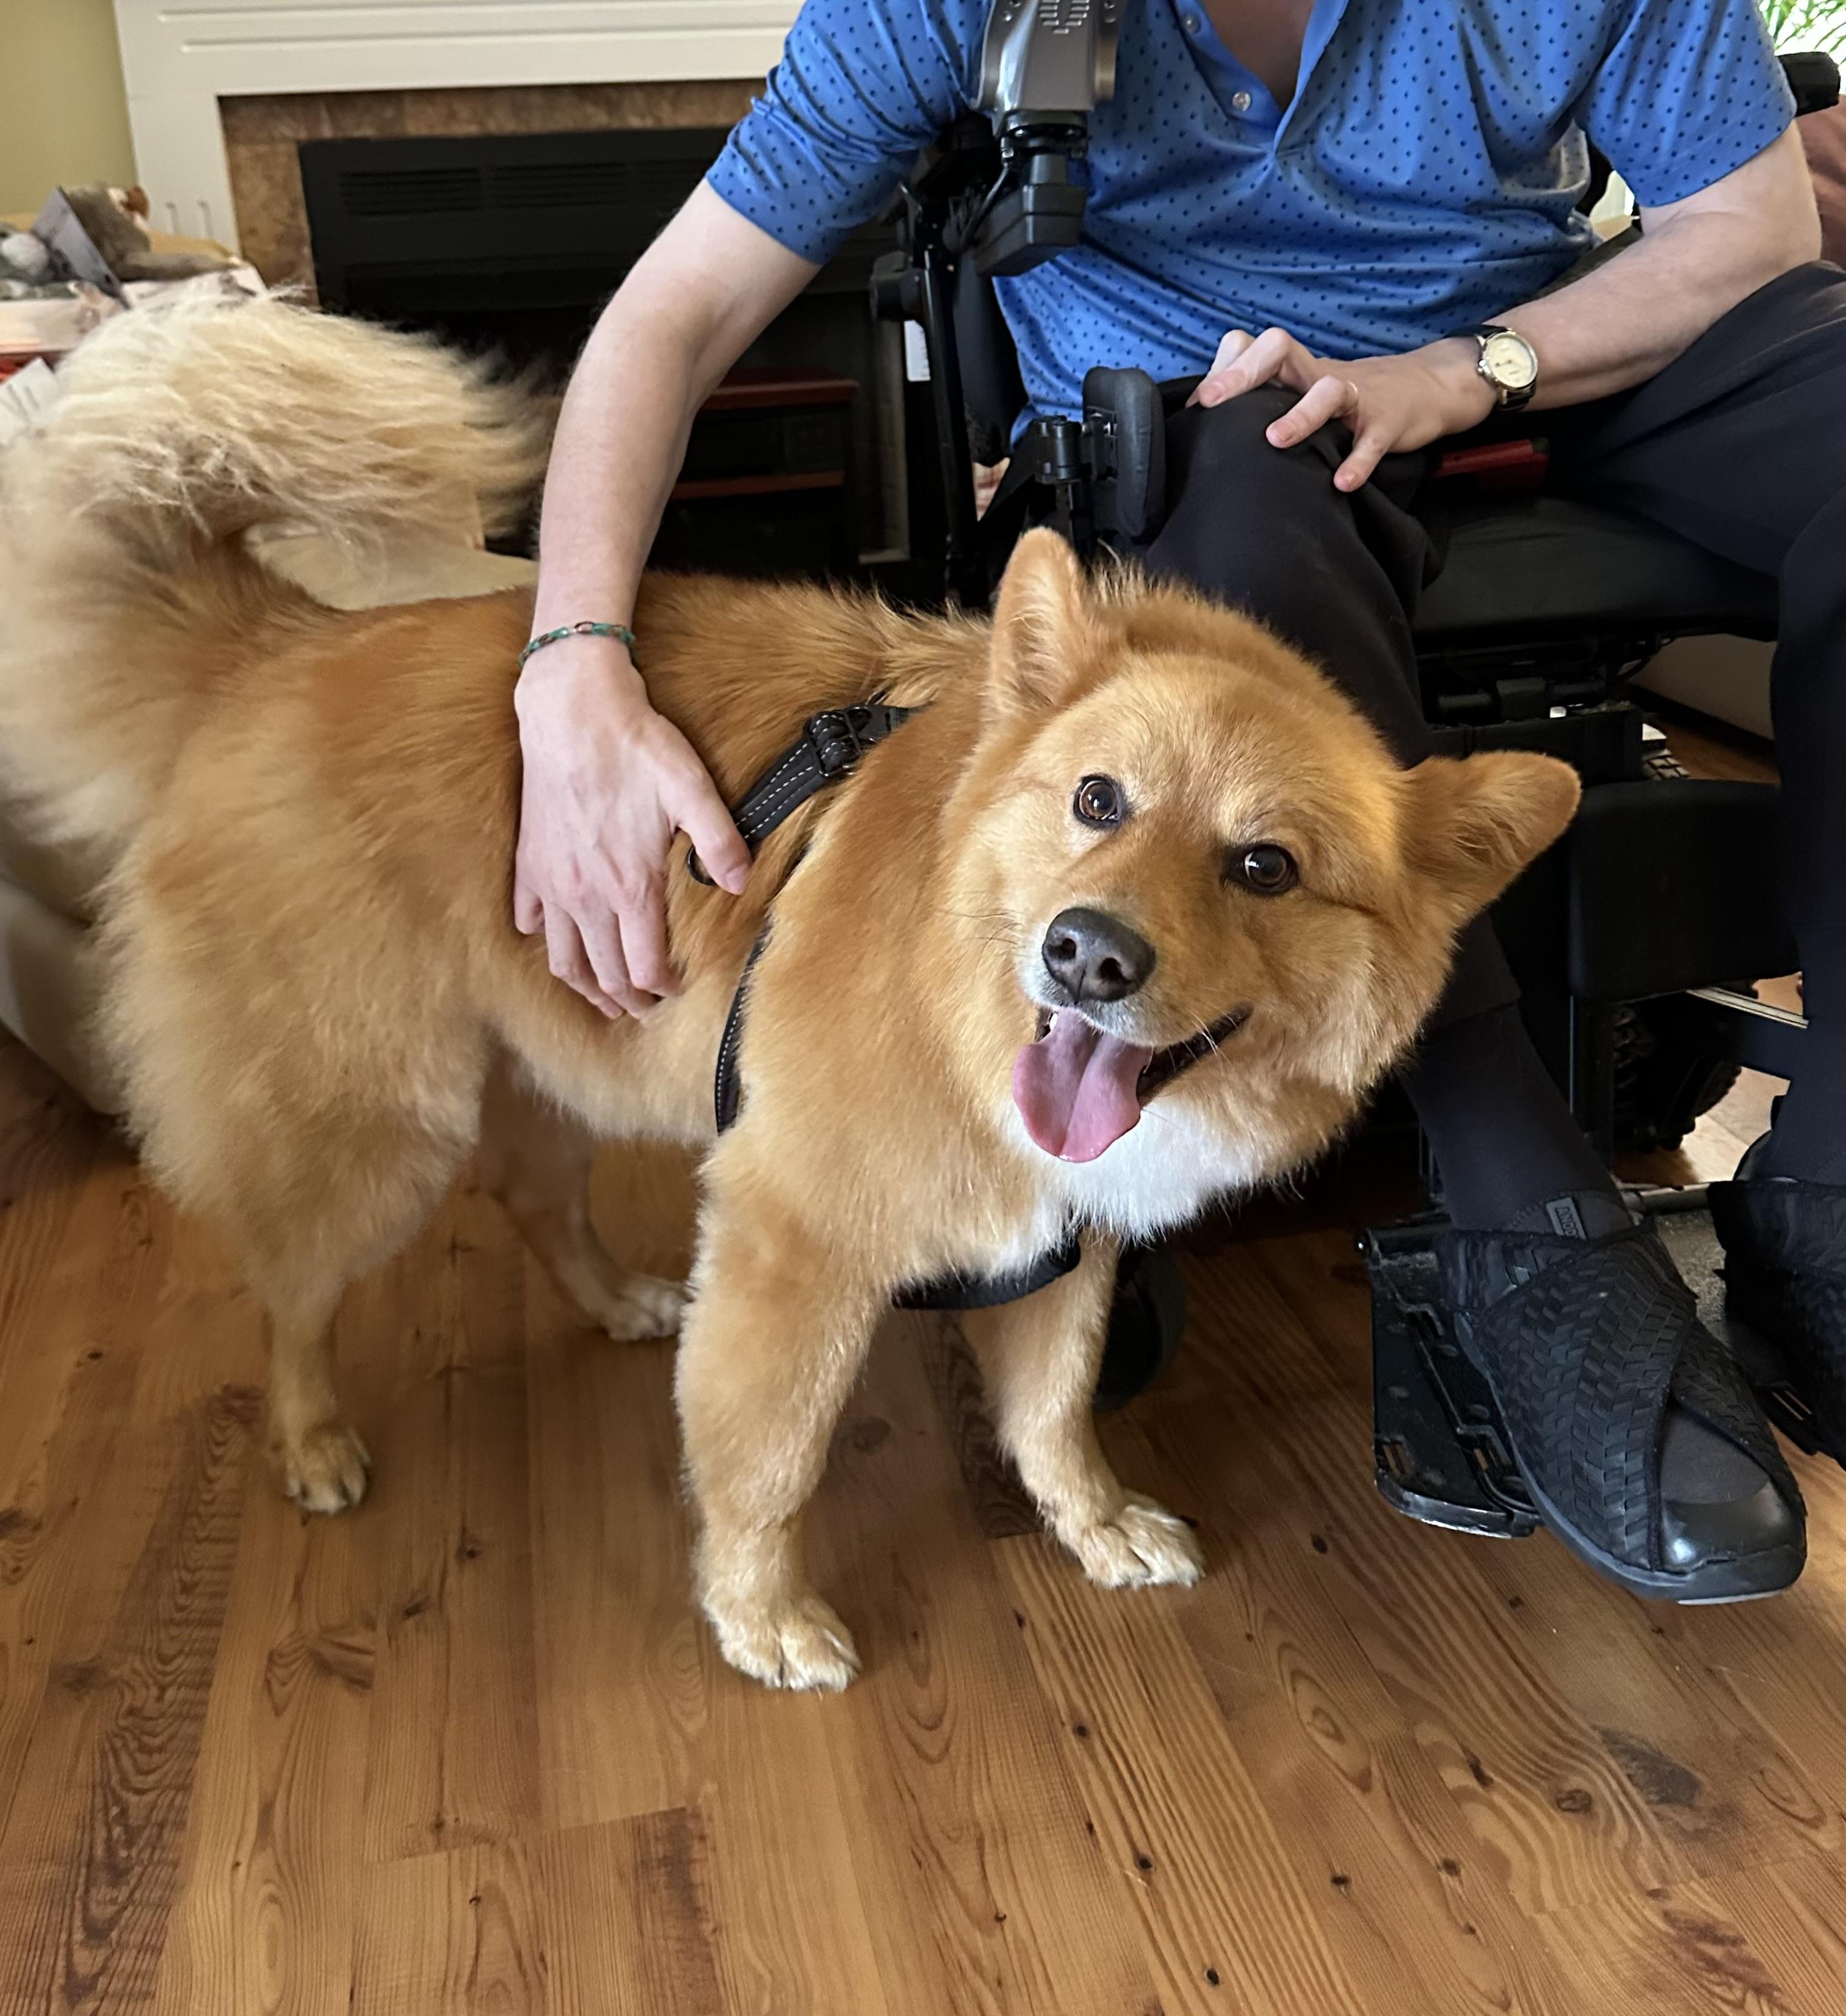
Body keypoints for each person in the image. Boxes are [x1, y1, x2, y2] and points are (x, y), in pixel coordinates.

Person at [514, 0, 1846, 1604]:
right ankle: (1522, 1205)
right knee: (1238, 550)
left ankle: (1831, 1183)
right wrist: (570, 660)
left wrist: (1472, 367)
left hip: (1536, 359)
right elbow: (674, 312)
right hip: (1209, 439)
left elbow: (1754, 230)